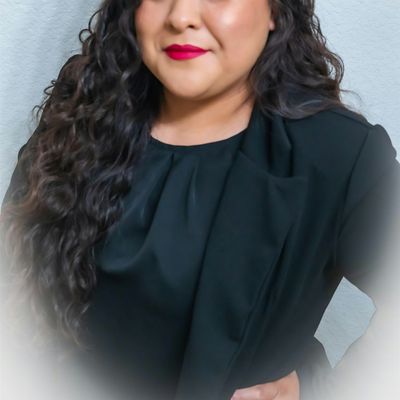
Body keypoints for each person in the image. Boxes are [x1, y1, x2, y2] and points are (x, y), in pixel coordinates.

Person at [1, 0, 399, 399]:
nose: (181, 17)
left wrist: (319, 388)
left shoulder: (339, 154)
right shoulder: (78, 118)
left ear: (276, 11)